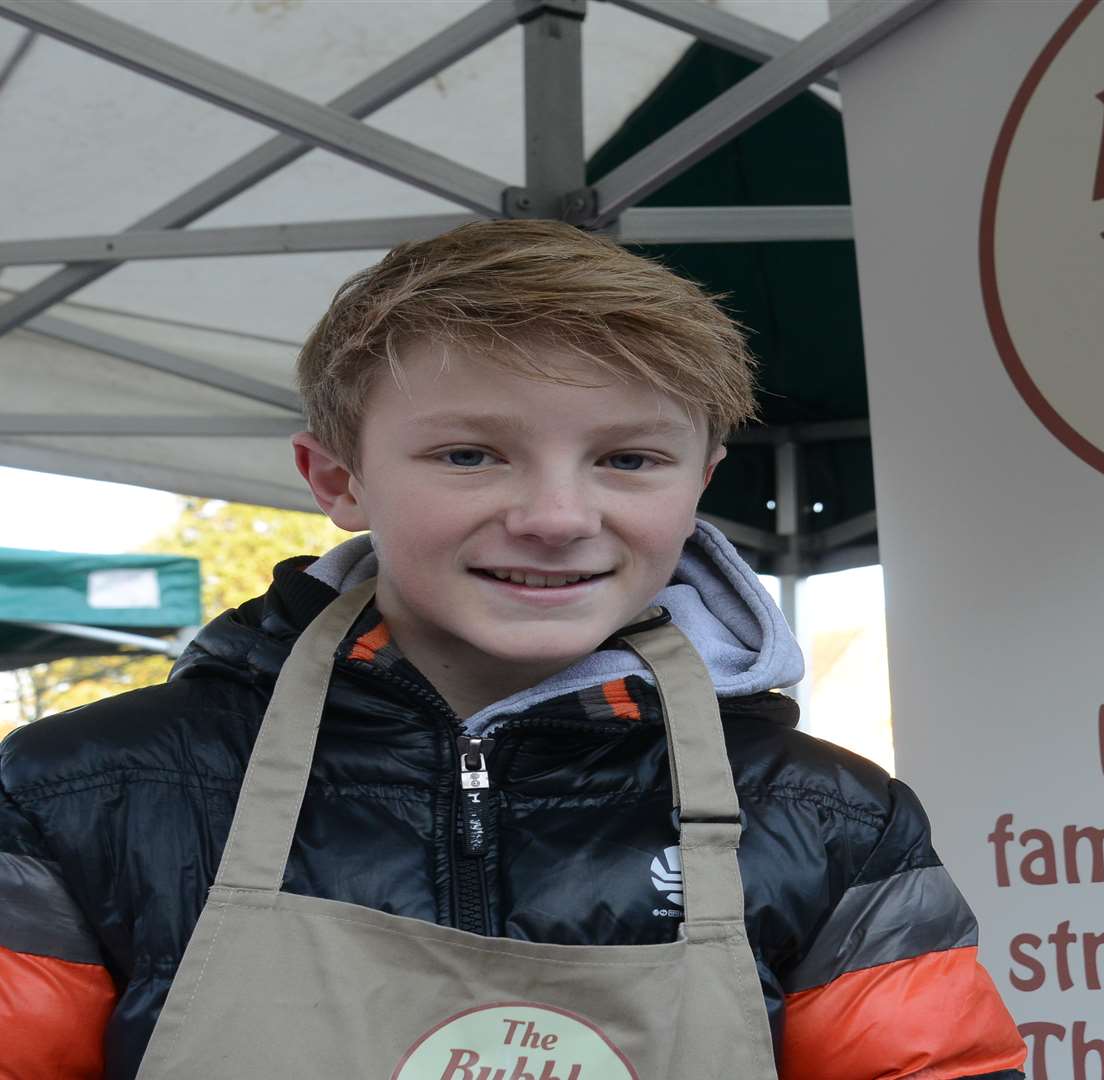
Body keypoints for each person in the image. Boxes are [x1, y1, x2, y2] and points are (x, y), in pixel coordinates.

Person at [0, 220, 1028, 1079]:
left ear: (701, 479)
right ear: (338, 478)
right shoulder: (79, 793)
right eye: (470, 454)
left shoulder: (832, 823)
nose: (554, 516)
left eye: (629, 458)